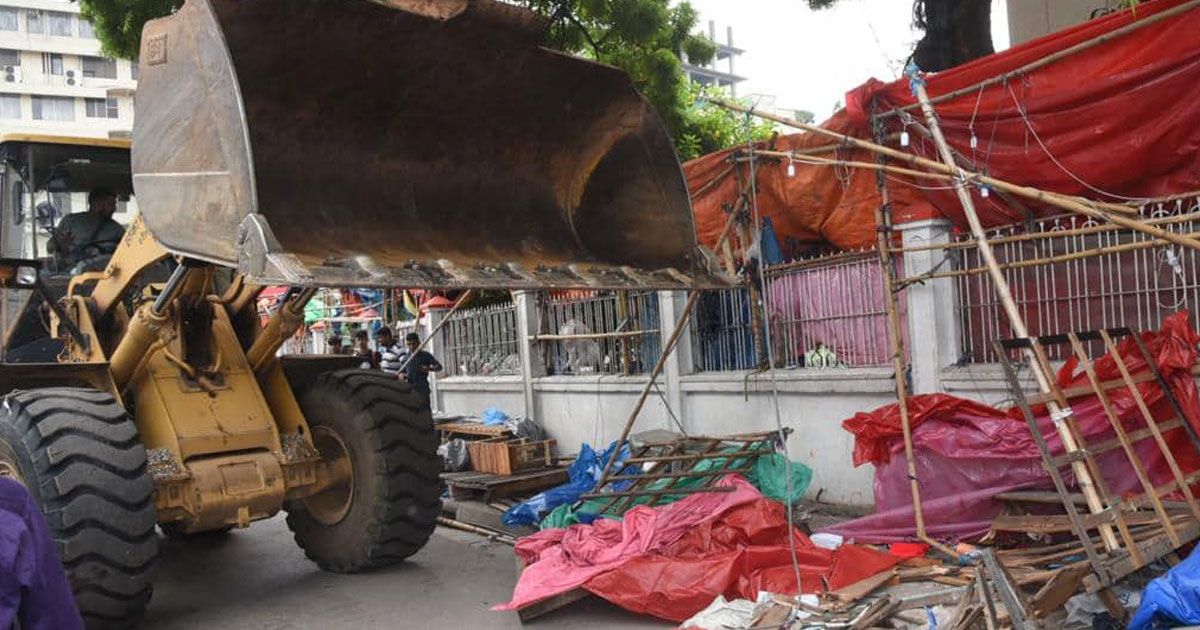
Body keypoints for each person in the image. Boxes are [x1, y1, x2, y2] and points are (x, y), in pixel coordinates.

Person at [48, 187, 125, 273]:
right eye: (110, 204)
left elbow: (126, 254)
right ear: (97, 203)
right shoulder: (70, 221)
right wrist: (59, 241)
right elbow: (50, 247)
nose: (114, 209)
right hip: (69, 272)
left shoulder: (117, 230)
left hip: (103, 275)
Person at [400, 332, 442, 405]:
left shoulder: (425, 356)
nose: (412, 346)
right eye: (409, 344)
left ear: (418, 343)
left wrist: (429, 368)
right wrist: (402, 376)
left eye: (414, 344)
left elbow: (439, 367)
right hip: (411, 390)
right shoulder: (406, 358)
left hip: (423, 389)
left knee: (425, 411)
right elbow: (402, 373)